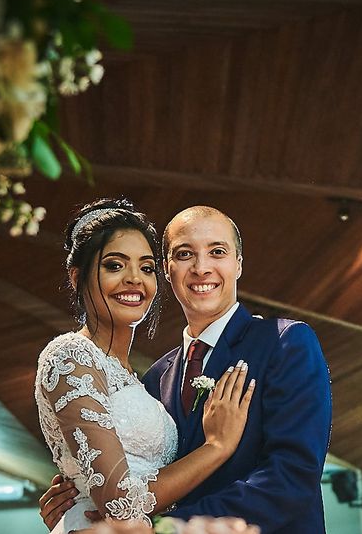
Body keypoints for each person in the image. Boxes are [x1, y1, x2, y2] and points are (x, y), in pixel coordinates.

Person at [40, 206, 333, 533]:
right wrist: (78, 500)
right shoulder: (155, 377)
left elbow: (292, 477)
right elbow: (132, 478)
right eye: (184, 254)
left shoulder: (285, 343)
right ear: (167, 269)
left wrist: (166, 527)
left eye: (217, 252)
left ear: (238, 263)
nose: (201, 268)